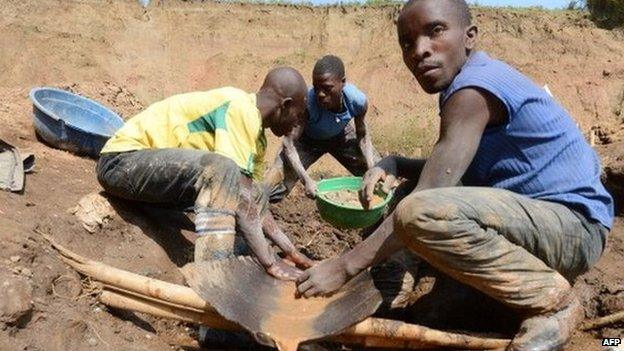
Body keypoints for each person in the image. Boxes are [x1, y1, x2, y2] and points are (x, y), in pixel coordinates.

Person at [296, 1, 613, 350]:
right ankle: (391, 287)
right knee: (434, 299)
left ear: (469, 37)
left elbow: (432, 192)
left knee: (418, 209)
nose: (419, 51)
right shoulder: (470, 82)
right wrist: (395, 163)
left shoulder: (472, 91)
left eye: (435, 31)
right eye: (406, 42)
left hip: (573, 229)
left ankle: (554, 303)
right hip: (542, 223)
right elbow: (445, 170)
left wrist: (343, 267)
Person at [97, 67, 314, 281]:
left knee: (254, 190)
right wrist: (271, 262)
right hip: (122, 162)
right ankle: (213, 274)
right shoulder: (239, 107)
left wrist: (290, 251)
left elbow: (253, 200)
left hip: (151, 182)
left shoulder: (258, 139)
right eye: (298, 116)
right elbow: (240, 195)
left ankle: (231, 266)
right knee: (224, 170)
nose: (296, 126)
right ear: (285, 105)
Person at [264, 55, 379, 201]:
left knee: (379, 175)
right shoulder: (307, 103)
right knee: (271, 187)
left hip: (341, 136)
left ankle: (381, 217)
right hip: (307, 141)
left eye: (327, 88)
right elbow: (289, 144)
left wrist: (371, 168)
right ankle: (256, 217)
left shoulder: (357, 101)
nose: (320, 94)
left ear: (342, 82)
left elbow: (362, 137)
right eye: (316, 88)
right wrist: (306, 180)